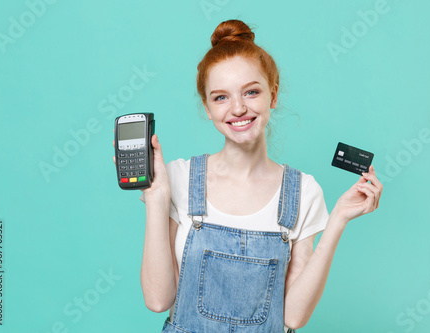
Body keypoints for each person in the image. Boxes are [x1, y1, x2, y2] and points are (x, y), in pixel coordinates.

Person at [136, 19, 383, 332]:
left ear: (273, 96)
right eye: (221, 97)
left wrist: (337, 220)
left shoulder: (304, 192)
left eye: (251, 92)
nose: (237, 108)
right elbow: (158, 300)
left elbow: (293, 317)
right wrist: (157, 197)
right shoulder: (178, 178)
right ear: (208, 108)